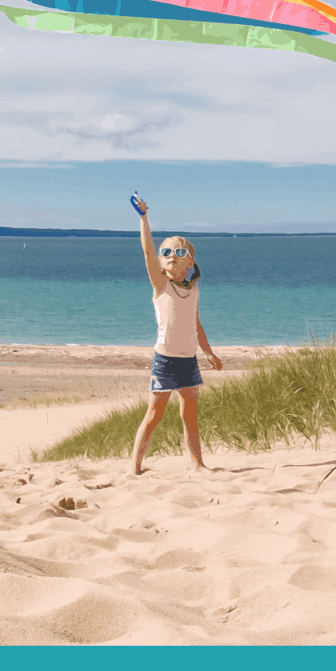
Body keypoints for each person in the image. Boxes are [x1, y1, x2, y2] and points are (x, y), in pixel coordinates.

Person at [130, 197, 222, 474]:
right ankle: (133, 468)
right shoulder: (161, 285)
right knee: (154, 415)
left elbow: (196, 323)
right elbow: (147, 253)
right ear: (160, 260)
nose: (172, 255)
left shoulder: (192, 290)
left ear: (190, 261)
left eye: (179, 252)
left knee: (189, 415)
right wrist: (144, 219)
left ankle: (198, 464)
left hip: (188, 359)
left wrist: (208, 351)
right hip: (165, 360)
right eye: (166, 251)